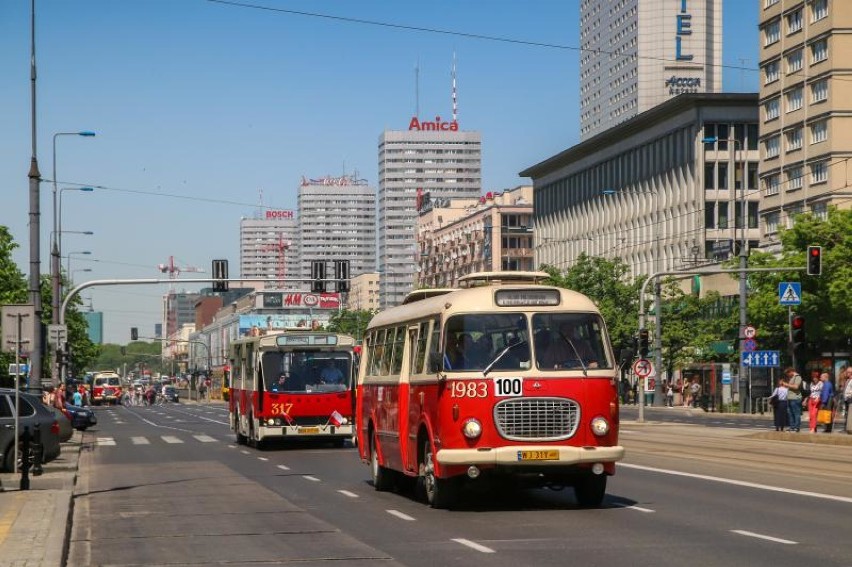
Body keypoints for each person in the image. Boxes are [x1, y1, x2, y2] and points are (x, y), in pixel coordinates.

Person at [781, 367, 803, 432]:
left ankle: (796, 427)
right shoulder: (791, 378)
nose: (788, 375)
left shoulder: (797, 377)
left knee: (796, 413)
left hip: (795, 398)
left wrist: (786, 384)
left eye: (788, 374)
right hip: (790, 398)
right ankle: (792, 426)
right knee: (790, 413)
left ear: (791, 371)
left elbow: (796, 387)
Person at [842, 366, 852, 431]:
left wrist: (850, 395)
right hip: (846, 399)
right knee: (846, 413)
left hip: (850, 399)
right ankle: (846, 427)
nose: (846, 373)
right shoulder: (848, 380)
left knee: (850, 414)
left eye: (848, 372)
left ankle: (849, 427)